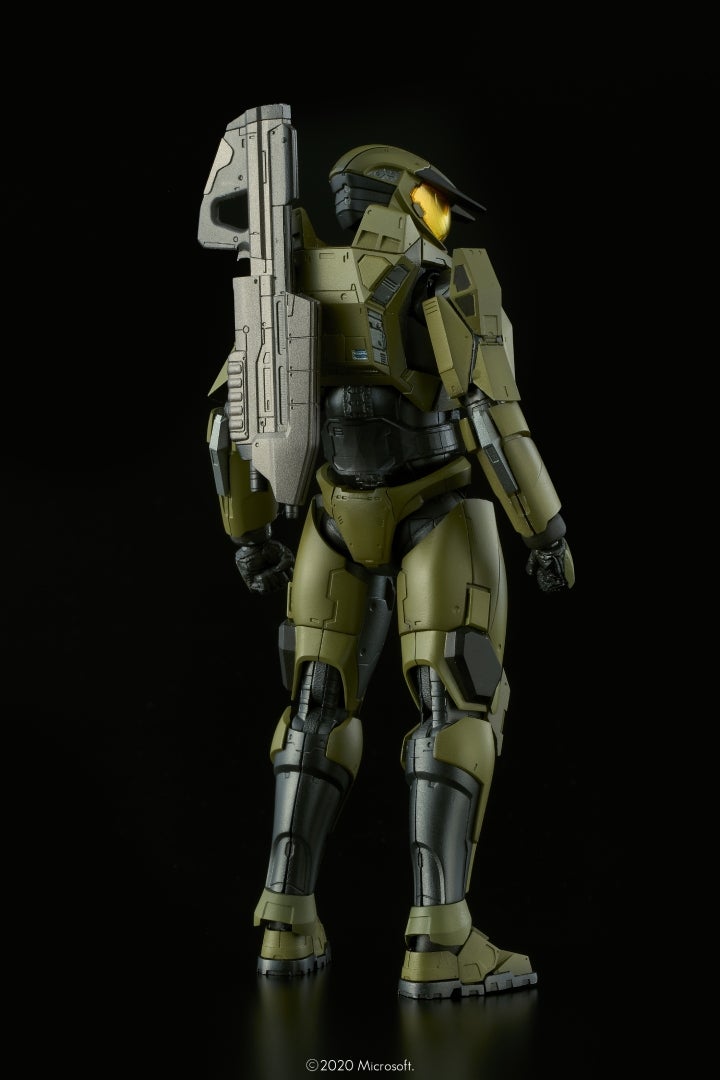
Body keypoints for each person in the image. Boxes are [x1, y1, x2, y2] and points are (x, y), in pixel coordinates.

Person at [199, 105, 574, 999]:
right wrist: (546, 529)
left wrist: (249, 532)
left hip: (331, 518)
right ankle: (442, 942)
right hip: (437, 510)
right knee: (459, 704)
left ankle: (285, 922)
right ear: (399, 197)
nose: (441, 218)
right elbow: (492, 414)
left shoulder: (290, 288)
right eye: (433, 201)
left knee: (314, 707)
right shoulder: (444, 281)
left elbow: (226, 423)